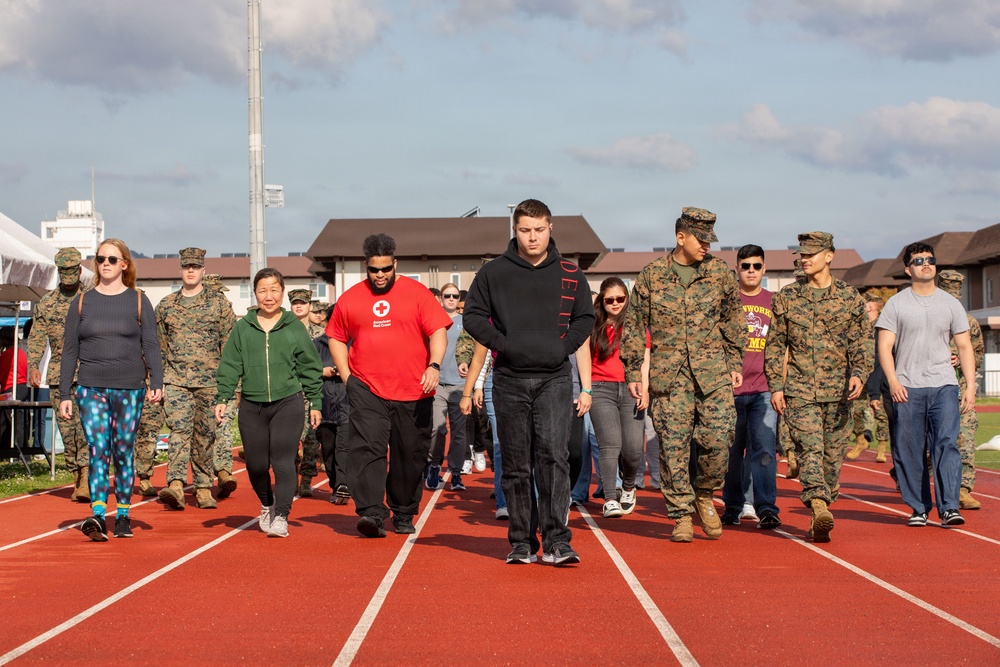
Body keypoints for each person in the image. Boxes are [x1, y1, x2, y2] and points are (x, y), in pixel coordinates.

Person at [464, 198, 594, 565]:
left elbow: (585, 318)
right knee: (518, 463)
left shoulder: (570, 272)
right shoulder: (494, 273)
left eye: (539, 229)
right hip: (509, 380)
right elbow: (473, 316)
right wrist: (504, 344)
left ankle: (557, 541)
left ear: (550, 228)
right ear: (514, 230)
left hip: (554, 379)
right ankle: (521, 541)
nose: (532, 237)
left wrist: (562, 347)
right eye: (525, 230)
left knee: (553, 458)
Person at [621, 207, 747, 543]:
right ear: (681, 237)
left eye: (710, 240)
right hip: (669, 376)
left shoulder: (720, 273)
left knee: (720, 439)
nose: (707, 246)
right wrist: (634, 368)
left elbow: (733, 320)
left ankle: (704, 495)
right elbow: (634, 325)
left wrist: (735, 362)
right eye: (701, 239)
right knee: (673, 449)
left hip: (713, 373)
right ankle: (680, 514)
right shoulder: (651, 276)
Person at [327, 233, 451, 538]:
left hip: (414, 389)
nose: (380, 275)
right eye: (374, 269)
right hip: (367, 388)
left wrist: (434, 365)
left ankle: (404, 511)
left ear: (395, 264)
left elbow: (438, 331)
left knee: (409, 454)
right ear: (365, 267)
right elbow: (336, 337)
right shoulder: (351, 298)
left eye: (386, 269)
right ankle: (371, 511)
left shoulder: (418, 293)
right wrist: (347, 377)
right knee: (367, 449)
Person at [765, 232, 872, 543]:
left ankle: (820, 510)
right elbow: (774, 346)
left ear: (829, 256)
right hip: (800, 392)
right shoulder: (786, 298)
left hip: (839, 393)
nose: (804, 258)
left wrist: (859, 373)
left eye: (812, 253)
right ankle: (819, 504)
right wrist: (776, 386)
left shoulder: (850, 298)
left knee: (831, 459)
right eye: (802, 254)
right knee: (809, 451)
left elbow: (862, 342)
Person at [60, 238, 164, 541]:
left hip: (129, 388)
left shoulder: (138, 300)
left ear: (124, 264)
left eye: (111, 259)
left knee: (122, 450)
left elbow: (151, 344)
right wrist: (65, 393)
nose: (105, 263)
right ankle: (96, 514)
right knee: (97, 450)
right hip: (90, 387)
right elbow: (69, 351)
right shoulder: (81, 302)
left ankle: (122, 516)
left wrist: (155, 381)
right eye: (100, 258)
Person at [215, 268, 323, 538]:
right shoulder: (243, 327)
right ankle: (267, 504)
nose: (269, 296)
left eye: (274, 289)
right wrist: (223, 396)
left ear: (282, 293)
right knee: (255, 465)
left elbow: (309, 366)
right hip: (252, 405)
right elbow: (230, 364)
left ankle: (282, 516)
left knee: (283, 461)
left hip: (288, 402)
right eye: (263, 290)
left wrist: (315, 401)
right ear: (255, 294)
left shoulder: (293, 326)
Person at [875, 244, 975, 527]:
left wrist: (968, 386)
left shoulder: (951, 303)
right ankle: (919, 507)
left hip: (944, 384)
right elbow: (884, 347)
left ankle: (949, 507)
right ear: (908, 269)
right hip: (907, 388)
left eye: (930, 260)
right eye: (918, 261)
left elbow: (964, 346)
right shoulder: (896, 304)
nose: (925, 264)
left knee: (946, 443)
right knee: (909, 449)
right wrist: (893, 381)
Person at [156, 248, 236, 510]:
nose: (191, 271)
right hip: (176, 379)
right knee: (179, 432)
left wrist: (229, 385)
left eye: (195, 266)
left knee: (204, 435)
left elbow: (229, 346)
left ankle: (203, 486)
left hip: (210, 381)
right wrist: (157, 381)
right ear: (180, 270)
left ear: (203, 270)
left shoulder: (219, 304)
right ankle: (177, 484)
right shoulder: (167, 305)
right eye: (186, 266)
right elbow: (159, 346)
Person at [721, 245, 781, 529]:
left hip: (764, 389)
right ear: (737, 269)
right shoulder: (727, 302)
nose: (751, 271)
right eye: (745, 266)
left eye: (756, 266)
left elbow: (784, 346)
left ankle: (766, 507)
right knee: (732, 452)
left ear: (764, 269)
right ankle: (732, 506)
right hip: (730, 390)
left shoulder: (774, 302)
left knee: (765, 450)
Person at [26, 247, 90, 502]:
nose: (68, 276)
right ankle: (76, 474)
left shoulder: (91, 299)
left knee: (85, 428)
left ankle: (86, 476)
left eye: (72, 271)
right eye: (63, 271)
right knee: (67, 430)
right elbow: (37, 336)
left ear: (79, 271)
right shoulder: (47, 303)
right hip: (58, 375)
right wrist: (33, 364)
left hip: (89, 372)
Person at [589, 277, 649, 518]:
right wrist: (586, 389)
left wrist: (645, 388)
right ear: (601, 302)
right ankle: (610, 498)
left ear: (627, 298)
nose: (615, 304)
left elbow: (645, 359)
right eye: (609, 300)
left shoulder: (637, 325)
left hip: (630, 389)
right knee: (610, 445)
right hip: (600, 388)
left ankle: (628, 486)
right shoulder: (592, 325)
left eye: (620, 299)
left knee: (633, 450)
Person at [937, 270, 985, 511]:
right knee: (933, 445)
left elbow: (977, 355)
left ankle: (963, 489)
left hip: (961, 393)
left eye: (956, 297)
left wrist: (964, 362)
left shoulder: (969, 323)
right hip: (933, 392)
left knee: (964, 439)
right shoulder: (928, 319)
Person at [427, 282, 471, 492]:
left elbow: (475, 351)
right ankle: (434, 465)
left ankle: (456, 473)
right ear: (441, 298)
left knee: (459, 432)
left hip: (460, 385)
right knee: (437, 428)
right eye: (447, 296)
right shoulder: (433, 321)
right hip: (437, 384)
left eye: (455, 296)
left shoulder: (466, 322)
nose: (452, 299)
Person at [204, 273, 239, 497]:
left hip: (224, 381)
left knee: (223, 427)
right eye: (216, 293)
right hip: (196, 382)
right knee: (202, 432)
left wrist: (237, 385)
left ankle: (224, 471)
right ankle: (206, 477)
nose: (221, 299)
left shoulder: (228, 315)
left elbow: (236, 352)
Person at [846, 293, 891, 463]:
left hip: (879, 374)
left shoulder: (882, 326)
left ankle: (881, 448)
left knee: (880, 414)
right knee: (856, 410)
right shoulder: (860, 326)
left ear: (871, 306)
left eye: (865, 304)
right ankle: (861, 441)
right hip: (861, 374)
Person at [286, 288, 322, 497]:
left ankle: (307, 478)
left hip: (312, 392)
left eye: (303, 303)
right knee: (288, 438)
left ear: (310, 306)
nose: (299, 306)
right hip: (290, 390)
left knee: (311, 438)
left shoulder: (320, 334)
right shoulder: (284, 331)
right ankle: (290, 477)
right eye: (295, 303)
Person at [0, 327, 29, 451]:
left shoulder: (7, 355)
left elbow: (2, 374)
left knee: (12, 422)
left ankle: (20, 451)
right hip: (21, 387)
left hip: (11, 388)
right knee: (14, 420)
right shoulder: (20, 353)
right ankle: (19, 450)